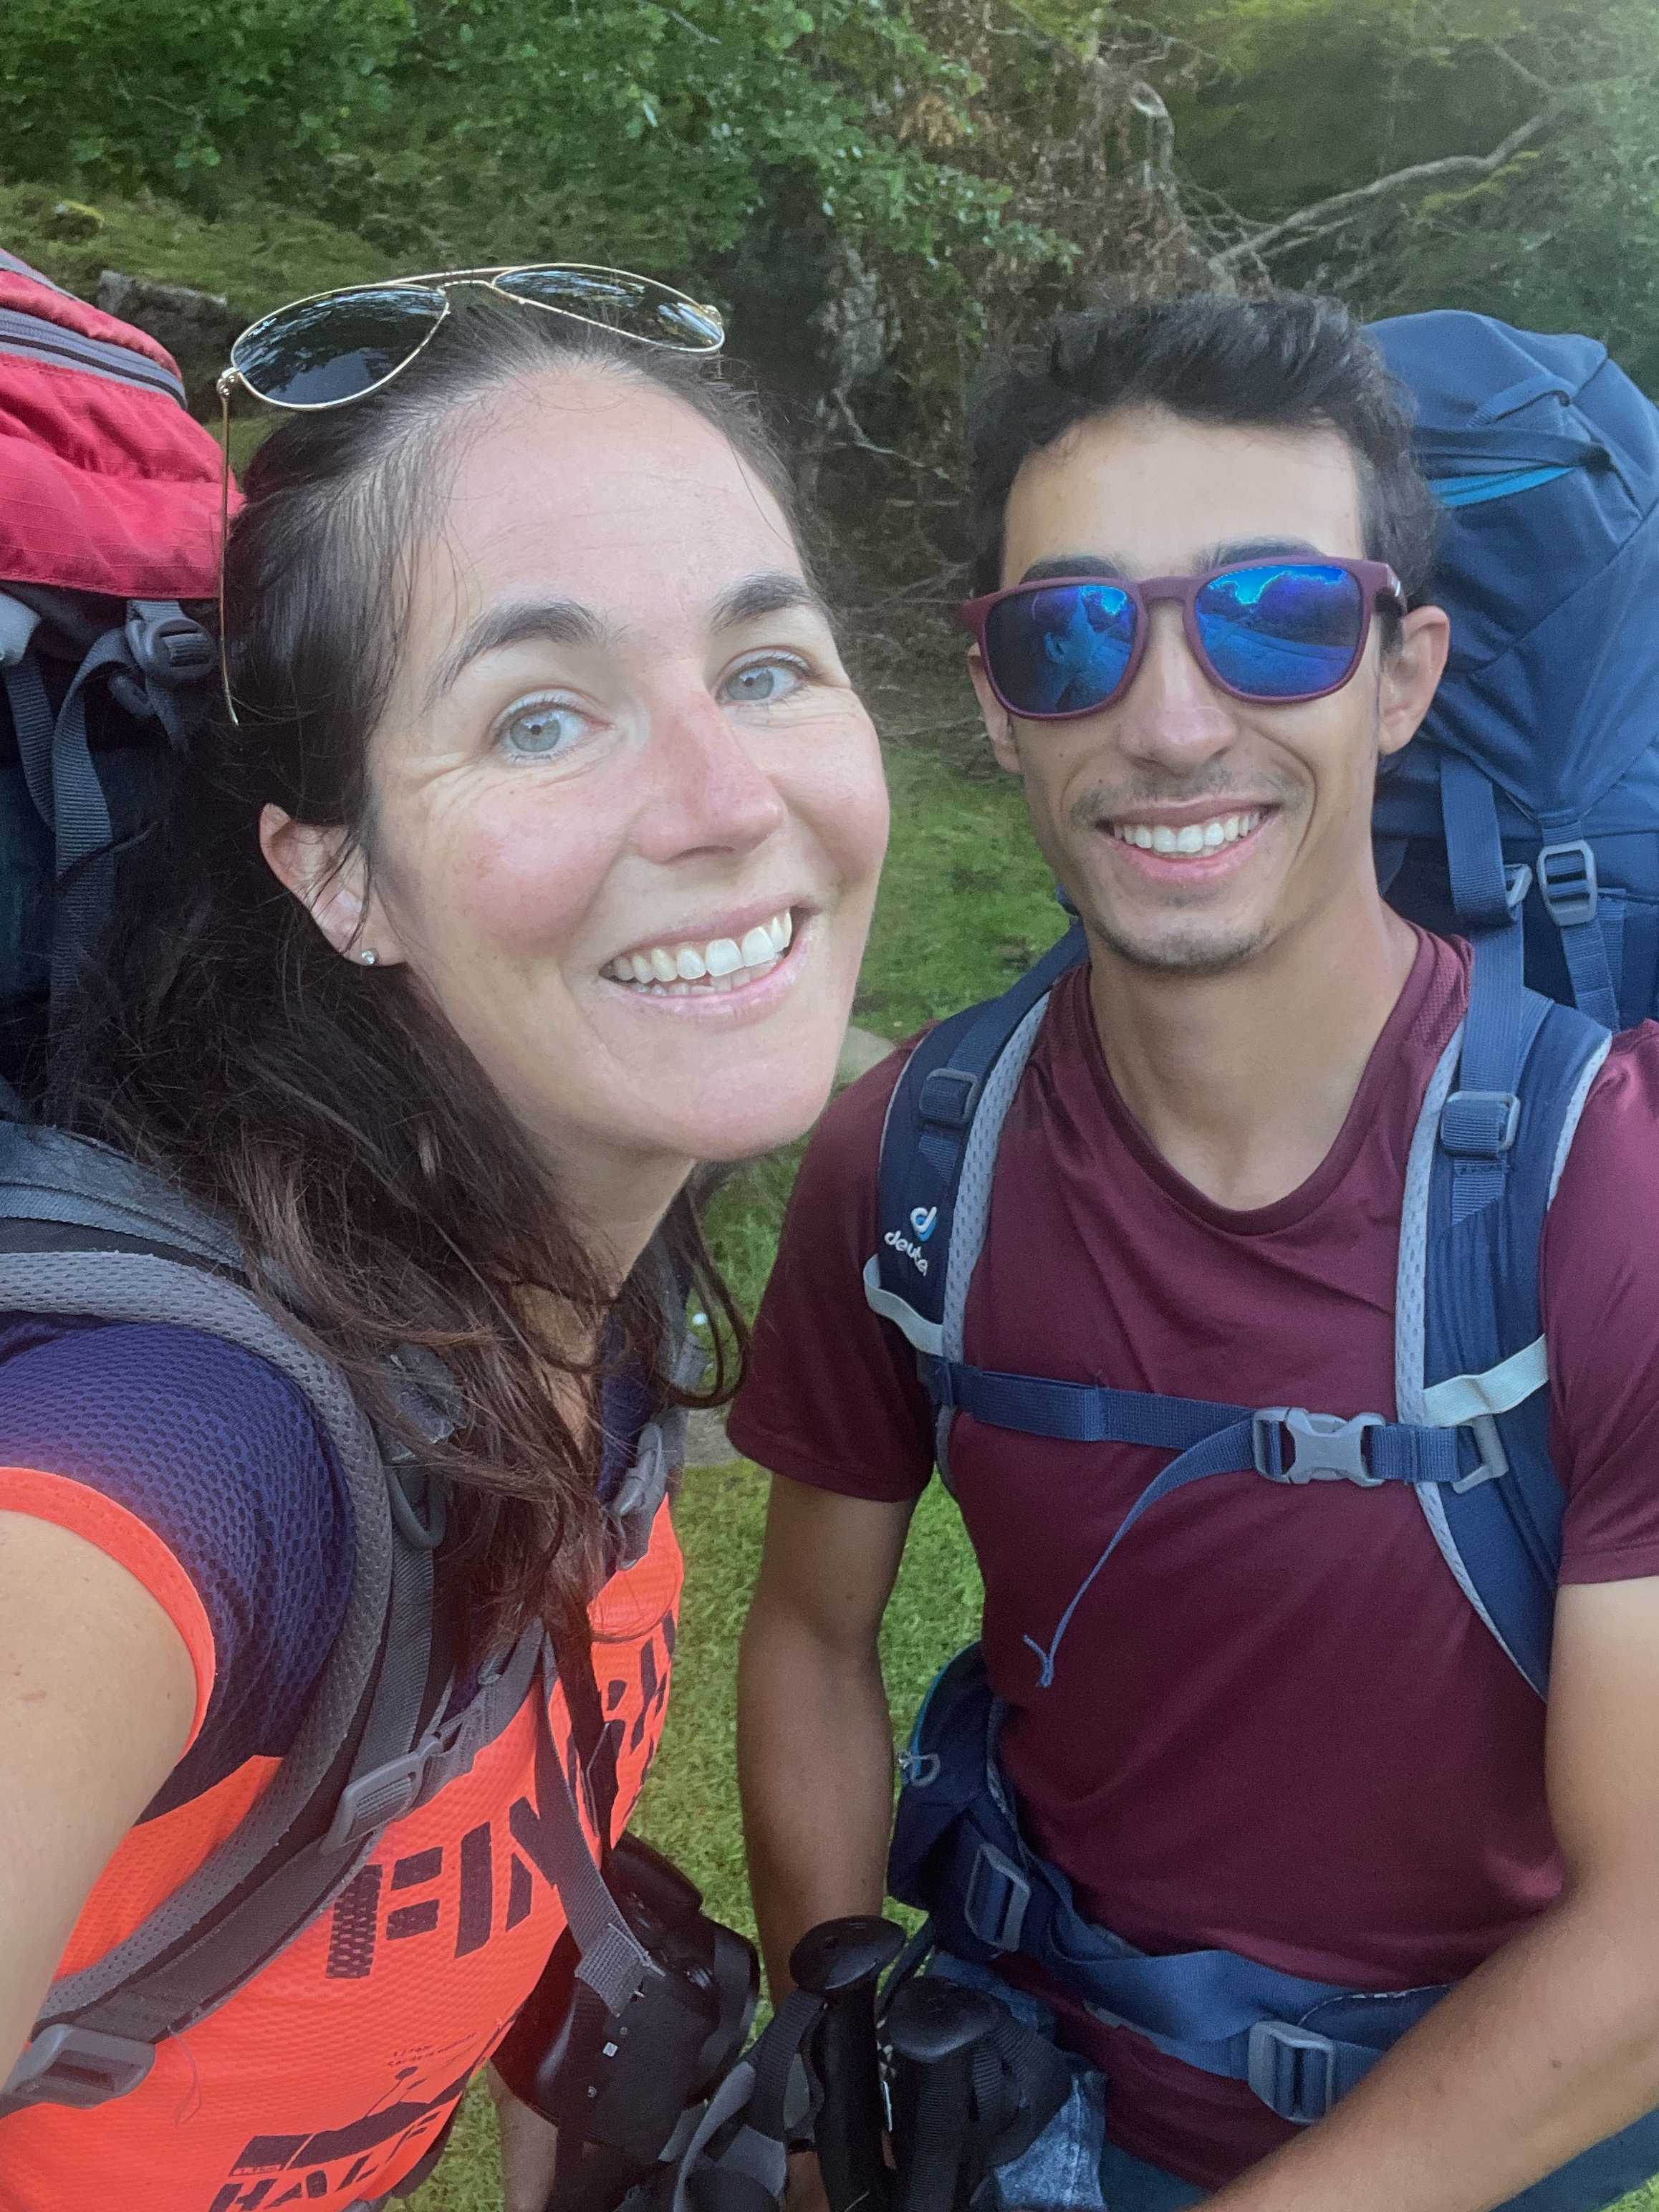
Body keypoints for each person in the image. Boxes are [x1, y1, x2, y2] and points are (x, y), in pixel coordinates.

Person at [731, 292, 1659, 2211]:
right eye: (1072, 635)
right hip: (1018, 2092)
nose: (1167, 724)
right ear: (998, 701)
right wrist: (833, 2067)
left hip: (1478, 2144)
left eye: (1277, 619)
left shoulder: (1603, 1193)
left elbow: (1647, 1930)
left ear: (1398, 677)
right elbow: (811, 1633)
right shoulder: (913, 1156)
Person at [0, 286, 888, 2211]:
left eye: (764, 667)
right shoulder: (185, 1462)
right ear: (337, 874)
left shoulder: (587, 1288)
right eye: (541, 717)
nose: (729, 800)